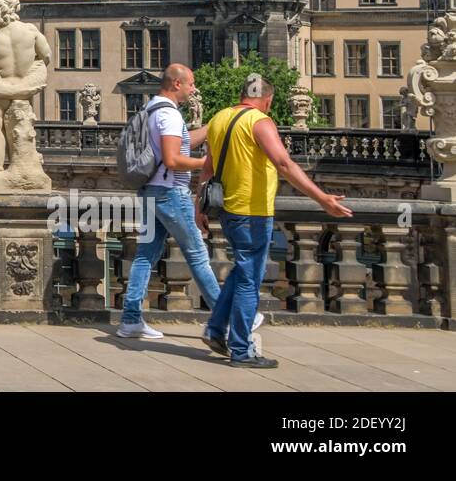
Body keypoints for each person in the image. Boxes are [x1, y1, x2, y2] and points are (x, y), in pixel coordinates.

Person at [198, 73, 353, 368]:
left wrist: (199, 208)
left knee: (240, 271)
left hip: (227, 209)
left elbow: (207, 168)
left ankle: (216, 329)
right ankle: (241, 349)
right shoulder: (260, 121)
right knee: (248, 280)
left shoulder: (219, 119)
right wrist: (322, 198)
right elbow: (284, 163)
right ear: (267, 99)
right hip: (252, 212)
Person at [117, 64, 224, 338]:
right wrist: (208, 163)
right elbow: (174, 159)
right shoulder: (170, 116)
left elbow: (181, 142)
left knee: (145, 256)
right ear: (177, 84)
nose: (193, 89)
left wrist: (212, 127)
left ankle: (130, 320)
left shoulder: (153, 109)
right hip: (170, 193)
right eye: (190, 84)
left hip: (152, 190)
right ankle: (229, 315)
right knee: (198, 255)